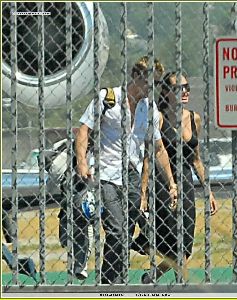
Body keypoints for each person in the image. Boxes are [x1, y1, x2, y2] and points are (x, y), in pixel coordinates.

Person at [75, 57, 178, 284]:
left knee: (126, 231)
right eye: (149, 82)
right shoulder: (108, 99)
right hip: (105, 173)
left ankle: (115, 280)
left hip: (131, 174)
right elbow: (83, 130)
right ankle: (110, 282)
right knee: (117, 229)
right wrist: (82, 162)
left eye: (156, 84)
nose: (152, 88)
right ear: (136, 77)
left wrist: (171, 182)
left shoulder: (148, 109)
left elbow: (158, 148)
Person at [134, 72, 218, 283]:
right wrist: (143, 193)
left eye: (187, 87)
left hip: (186, 183)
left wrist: (208, 192)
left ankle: (152, 276)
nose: (185, 91)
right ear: (166, 92)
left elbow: (196, 159)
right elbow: (148, 157)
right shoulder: (159, 118)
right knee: (173, 240)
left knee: (186, 245)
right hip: (163, 183)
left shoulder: (194, 118)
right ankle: (181, 285)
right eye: (179, 88)